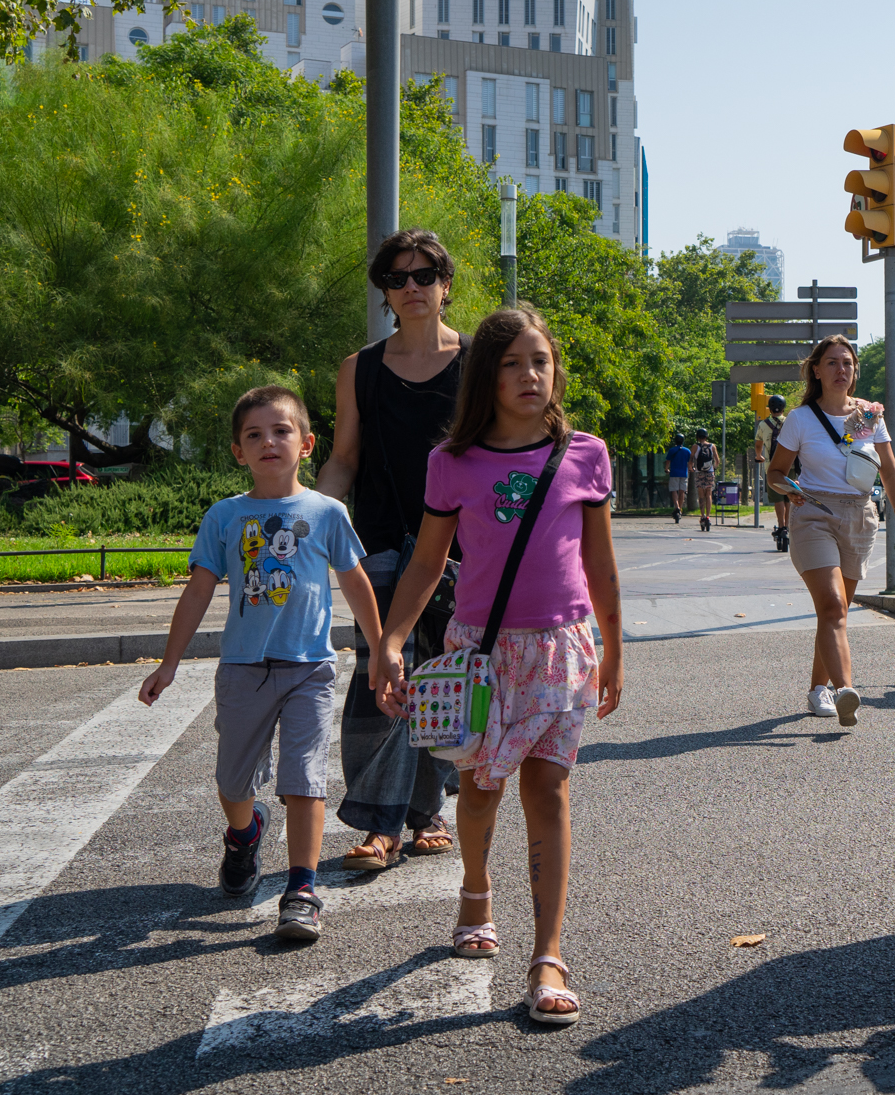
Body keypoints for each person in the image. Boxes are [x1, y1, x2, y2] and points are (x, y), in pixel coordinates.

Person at [375, 305, 624, 1025]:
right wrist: (392, 640)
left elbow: (600, 563)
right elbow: (427, 560)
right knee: (479, 792)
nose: (529, 374)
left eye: (540, 360)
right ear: (486, 376)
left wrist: (615, 646)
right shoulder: (451, 461)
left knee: (547, 791)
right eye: (512, 363)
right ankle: (476, 889)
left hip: (563, 650)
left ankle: (547, 954)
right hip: (481, 655)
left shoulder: (586, 453)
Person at [138, 386, 381, 942]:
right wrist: (169, 664)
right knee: (232, 781)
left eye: (281, 431)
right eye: (254, 435)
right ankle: (245, 835)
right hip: (243, 668)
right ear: (237, 451)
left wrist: (381, 651)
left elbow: (355, 582)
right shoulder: (224, 517)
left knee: (305, 780)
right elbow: (198, 590)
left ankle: (301, 888)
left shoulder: (326, 512)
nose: (268, 442)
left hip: (310, 669)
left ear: (307, 444)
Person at [315, 228, 462, 873]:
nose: (411, 288)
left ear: (444, 285)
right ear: (385, 292)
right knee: (381, 672)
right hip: (378, 541)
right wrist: (314, 516)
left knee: (440, 675)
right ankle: (379, 824)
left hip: (463, 546)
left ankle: (426, 812)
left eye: (424, 275)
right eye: (397, 279)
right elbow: (344, 458)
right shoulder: (362, 368)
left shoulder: (480, 361)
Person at [764, 334, 895, 727]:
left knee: (836, 612)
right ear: (816, 370)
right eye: (831, 363)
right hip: (813, 512)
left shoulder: (869, 414)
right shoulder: (800, 419)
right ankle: (845, 689)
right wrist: (790, 488)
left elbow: (890, 470)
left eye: (847, 363)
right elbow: (775, 473)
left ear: (854, 371)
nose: (840, 370)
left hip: (860, 516)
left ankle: (819, 689)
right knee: (832, 606)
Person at [753, 395, 792, 552]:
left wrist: (759, 456)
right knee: (790, 495)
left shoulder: (763, 424)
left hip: (772, 467)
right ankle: (788, 526)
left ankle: (781, 525)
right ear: (784, 408)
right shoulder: (790, 422)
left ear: (769, 407)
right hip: (791, 466)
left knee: (778, 498)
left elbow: (758, 444)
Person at [690, 428, 721, 533]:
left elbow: (691, 459)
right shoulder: (712, 446)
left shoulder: (695, 446)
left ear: (698, 437)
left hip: (699, 473)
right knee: (709, 494)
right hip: (710, 472)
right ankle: (708, 516)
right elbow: (717, 461)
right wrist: (713, 469)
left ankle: (702, 516)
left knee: (701, 495)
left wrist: (692, 468)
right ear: (707, 436)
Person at [666, 435, 692, 523]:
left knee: (674, 490)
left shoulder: (672, 450)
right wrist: (691, 468)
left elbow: (668, 461)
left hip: (674, 473)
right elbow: (690, 462)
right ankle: (679, 510)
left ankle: (676, 507)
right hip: (684, 474)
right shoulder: (687, 451)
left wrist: (666, 469)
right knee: (682, 491)